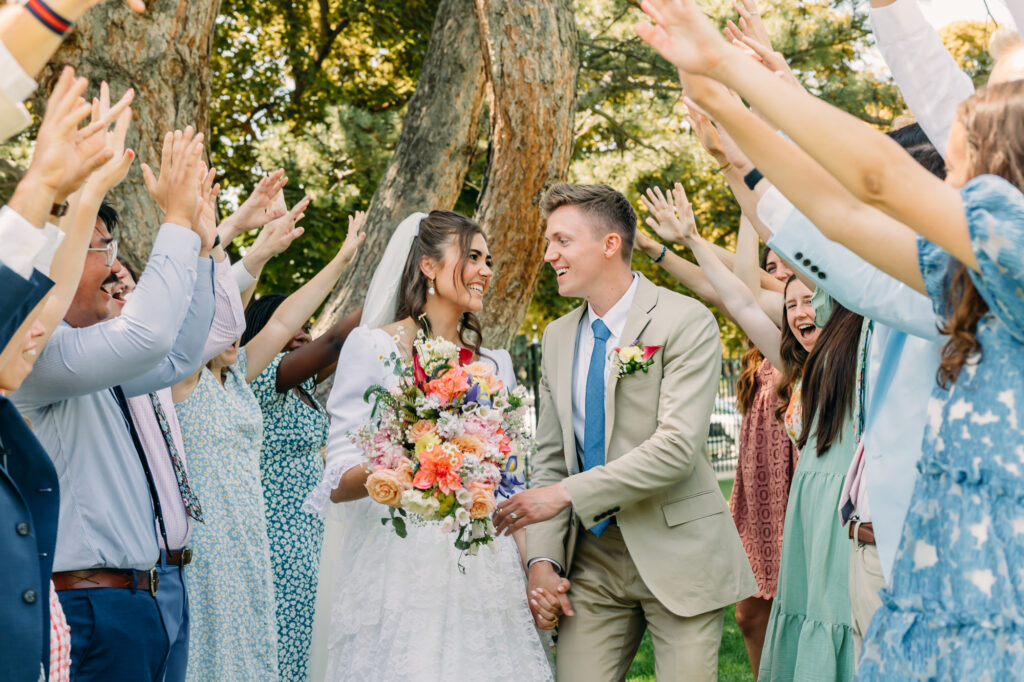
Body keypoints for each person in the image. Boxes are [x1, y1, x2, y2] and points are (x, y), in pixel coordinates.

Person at [635, 0, 1024, 675]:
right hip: (940, 595)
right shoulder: (969, 285)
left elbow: (873, 183)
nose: (946, 188)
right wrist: (733, 113)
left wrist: (731, 75)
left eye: (957, 174)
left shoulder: (1009, 259)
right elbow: (843, 214)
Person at [491, 184, 754, 681]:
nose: (549, 255)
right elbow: (549, 457)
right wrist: (542, 560)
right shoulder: (555, 336)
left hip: (678, 548)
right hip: (590, 561)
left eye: (562, 241)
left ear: (610, 244)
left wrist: (565, 494)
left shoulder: (686, 320)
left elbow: (676, 449)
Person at [304, 210, 553, 681]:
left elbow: (509, 484)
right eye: (473, 257)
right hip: (396, 567)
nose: (486, 270)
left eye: (489, 260)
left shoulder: (495, 365)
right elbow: (337, 474)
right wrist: (411, 462)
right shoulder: (371, 347)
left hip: (483, 565)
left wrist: (532, 567)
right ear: (428, 266)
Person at [11, 124, 210, 681]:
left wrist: (196, 241)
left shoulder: (93, 354)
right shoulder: (37, 355)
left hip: (135, 602)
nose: (117, 267)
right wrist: (172, 220)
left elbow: (178, 355)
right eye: (102, 248)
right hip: (90, 609)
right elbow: (148, 338)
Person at [173, 210, 365, 682]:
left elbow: (289, 324)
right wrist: (238, 240)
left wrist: (343, 259)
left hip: (263, 540)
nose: (231, 333)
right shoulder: (214, 380)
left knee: (269, 657)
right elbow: (296, 329)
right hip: (231, 543)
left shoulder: (238, 379)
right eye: (223, 324)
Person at [240, 296, 360, 681]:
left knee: (311, 641)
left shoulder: (301, 386)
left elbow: (354, 344)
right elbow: (335, 342)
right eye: (291, 324)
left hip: (312, 535)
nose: (303, 331)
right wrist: (395, 288)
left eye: (307, 325)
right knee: (288, 645)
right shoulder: (261, 379)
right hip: (279, 540)